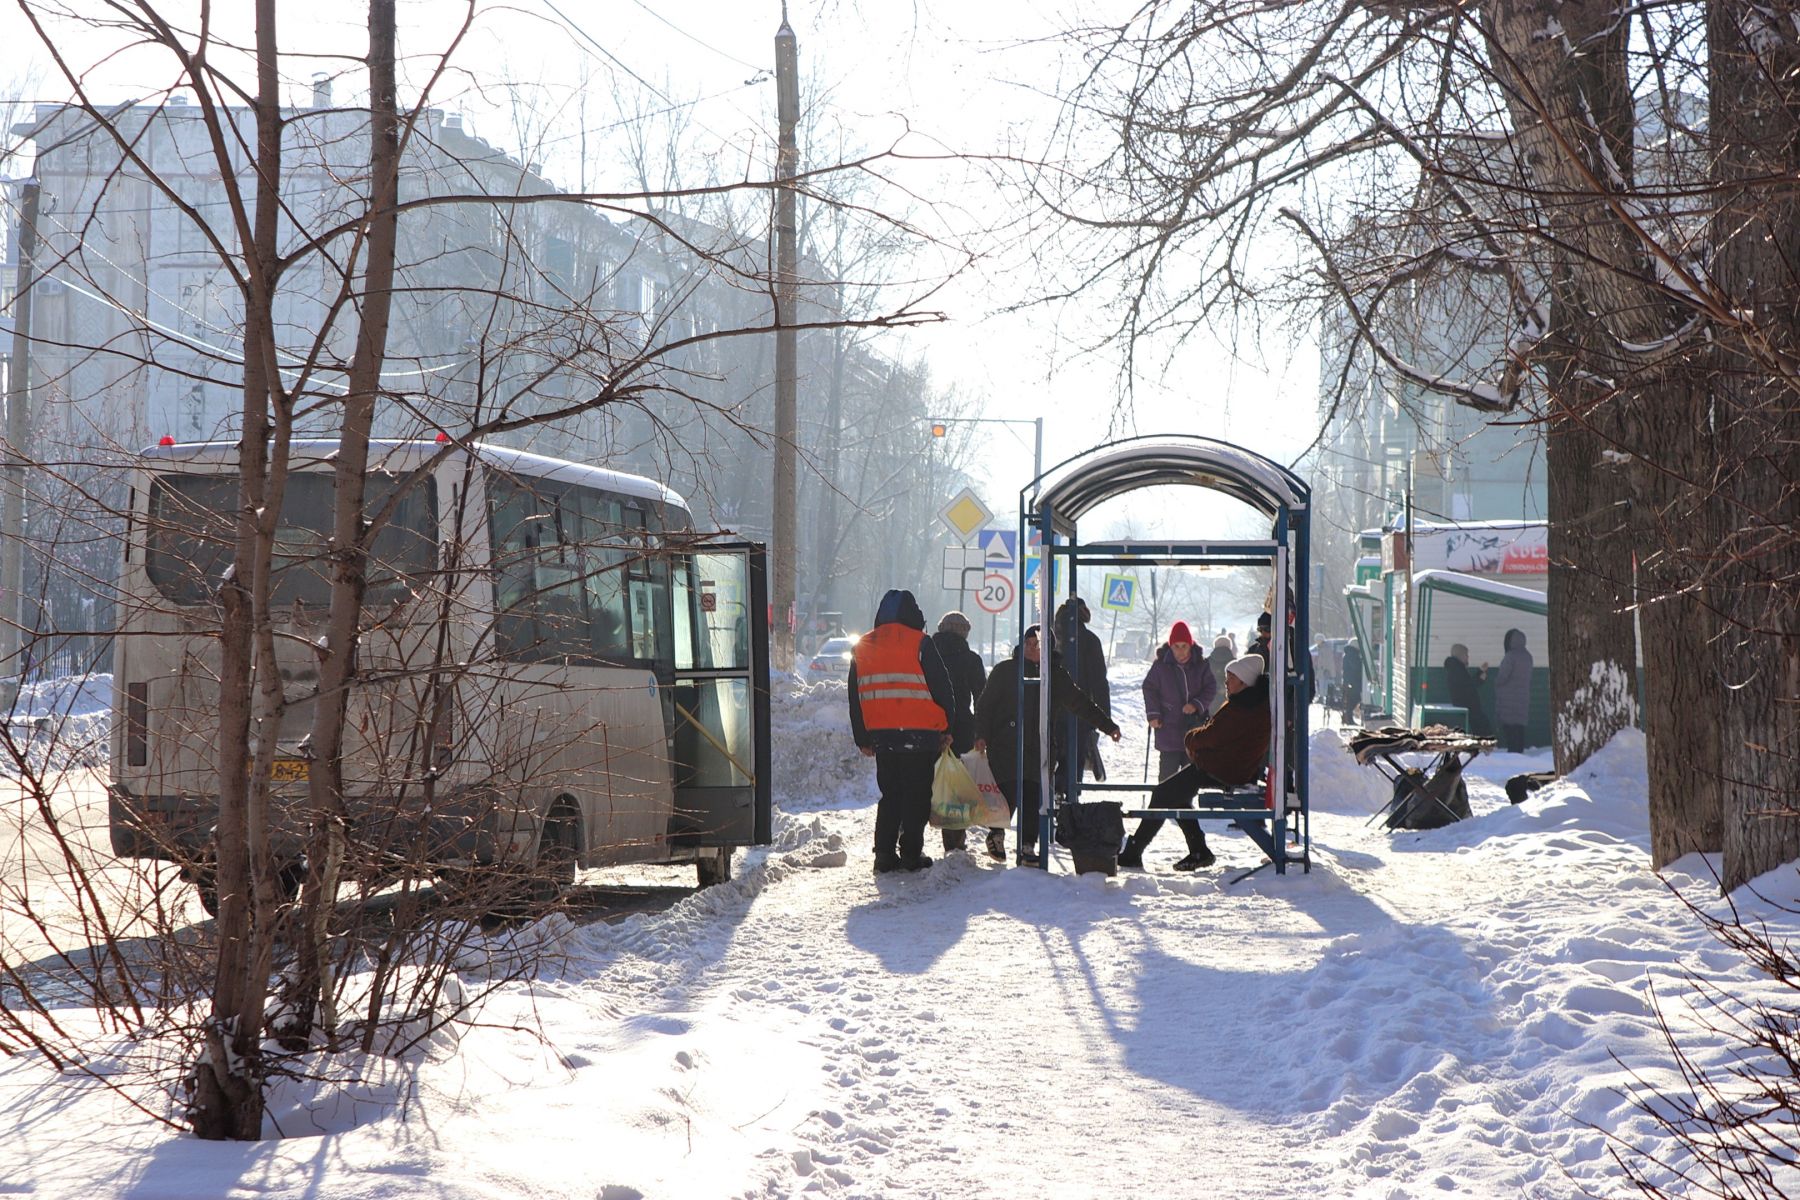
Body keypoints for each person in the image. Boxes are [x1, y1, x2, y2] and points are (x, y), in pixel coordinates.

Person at [974, 624, 1122, 866]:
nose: (1033, 649)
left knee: (1034, 795)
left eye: (1039, 645)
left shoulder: (1055, 676)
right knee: (1007, 792)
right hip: (1005, 744)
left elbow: (1080, 703)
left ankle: (1027, 845)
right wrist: (981, 735)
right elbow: (985, 706)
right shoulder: (1005, 671)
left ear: (1049, 649)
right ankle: (997, 833)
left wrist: (1108, 726)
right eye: (1029, 644)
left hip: (1039, 747)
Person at [1119, 654, 1272, 872]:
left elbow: (1211, 736)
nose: (1226, 682)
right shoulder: (1251, 704)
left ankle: (1134, 853)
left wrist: (1190, 738)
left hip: (1222, 769)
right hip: (1229, 767)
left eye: (1231, 677)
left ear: (1244, 682)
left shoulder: (1241, 709)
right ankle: (1197, 850)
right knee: (1173, 794)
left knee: (1163, 794)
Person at [847, 589, 955, 873]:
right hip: (920, 734)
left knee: (891, 793)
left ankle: (883, 853)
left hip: (882, 735)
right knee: (917, 794)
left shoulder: (862, 646)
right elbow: (941, 687)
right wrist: (947, 726)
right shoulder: (920, 643)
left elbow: (854, 696)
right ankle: (910, 853)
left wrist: (862, 737)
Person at [931, 610, 988, 855]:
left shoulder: (926, 656)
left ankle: (909, 834)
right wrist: (981, 731)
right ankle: (954, 838)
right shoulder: (971, 660)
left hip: (929, 727)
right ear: (964, 633)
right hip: (962, 728)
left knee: (928, 781)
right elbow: (982, 698)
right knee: (956, 783)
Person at [1142, 621, 1216, 782]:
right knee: (1167, 776)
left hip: (1194, 729)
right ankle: (1164, 806)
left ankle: (1185, 806)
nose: (1181, 651)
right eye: (1176, 646)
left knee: (1190, 777)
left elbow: (1211, 687)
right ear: (1170, 646)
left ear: (1190, 645)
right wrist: (1154, 714)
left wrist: (1197, 704)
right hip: (1168, 727)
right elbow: (1149, 688)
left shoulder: (1201, 665)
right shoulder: (1160, 667)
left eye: (1184, 646)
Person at [1056, 596, 1111, 783]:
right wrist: (1104, 717)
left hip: (1050, 710)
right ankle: (1070, 799)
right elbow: (1099, 681)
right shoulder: (1089, 640)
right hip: (1081, 710)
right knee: (1074, 758)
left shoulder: (1050, 637)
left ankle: (1051, 797)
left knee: (1051, 757)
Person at [1494, 628, 1533, 753]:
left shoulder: (1510, 656)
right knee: (1519, 728)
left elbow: (1502, 677)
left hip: (1508, 699)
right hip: (1523, 698)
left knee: (1510, 729)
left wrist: (1496, 683)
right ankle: (1519, 752)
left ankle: (1513, 753)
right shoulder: (1528, 656)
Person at [1442, 642, 1489, 735]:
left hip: (1465, 703)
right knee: (1482, 728)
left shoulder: (1455, 668)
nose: (1468, 657)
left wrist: (1479, 672)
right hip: (1467, 704)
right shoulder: (1457, 669)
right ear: (1461, 655)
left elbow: (1467, 683)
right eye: (1466, 655)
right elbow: (1468, 686)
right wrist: (1480, 679)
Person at [1205, 634, 1235, 715]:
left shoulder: (1206, 662)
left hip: (1209, 700)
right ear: (1229, 646)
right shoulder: (1235, 663)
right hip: (1229, 702)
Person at [1339, 639, 1364, 726]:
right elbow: (1355, 667)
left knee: (1351, 701)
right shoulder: (1352, 655)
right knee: (1354, 699)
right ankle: (1348, 719)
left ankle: (1348, 719)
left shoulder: (1348, 655)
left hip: (1349, 681)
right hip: (1353, 682)